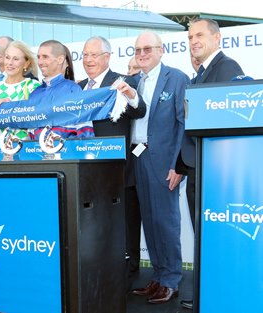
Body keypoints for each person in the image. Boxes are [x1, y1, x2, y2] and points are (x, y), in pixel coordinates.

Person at [178, 18, 244, 310]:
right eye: (190, 36)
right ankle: (206, 293)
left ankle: (216, 296)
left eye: (200, 35)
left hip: (215, 171)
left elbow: (230, 122)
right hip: (197, 167)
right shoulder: (201, 74)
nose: (193, 40)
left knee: (212, 240)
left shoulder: (227, 68)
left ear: (217, 38)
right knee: (202, 239)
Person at [78, 36, 146, 281]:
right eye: (85, 55)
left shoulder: (123, 82)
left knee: (124, 224)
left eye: (94, 55)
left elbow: (139, 110)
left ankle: (129, 269)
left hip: (116, 168)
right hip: (84, 169)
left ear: (107, 57)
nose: (88, 60)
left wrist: (130, 95)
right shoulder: (78, 87)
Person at [129, 31, 190, 304]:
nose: (142, 54)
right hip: (138, 158)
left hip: (165, 162)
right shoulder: (133, 82)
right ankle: (158, 276)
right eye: (138, 50)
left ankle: (172, 280)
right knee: (150, 223)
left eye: (147, 49)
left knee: (166, 222)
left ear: (161, 50)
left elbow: (184, 124)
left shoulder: (177, 78)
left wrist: (179, 165)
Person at [29, 40, 94, 140]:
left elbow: (85, 132)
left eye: (45, 57)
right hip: (38, 155)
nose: (40, 62)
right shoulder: (34, 94)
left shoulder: (73, 89)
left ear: (60, 59)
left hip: (66, 154)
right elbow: (31, 134)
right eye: (38, 57)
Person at [0, 40, 41, 141]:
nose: (10, 63)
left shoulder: (33, 86)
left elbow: (38, 119)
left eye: (16, 59)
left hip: (22, 149)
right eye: (7, 57)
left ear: (26, 63)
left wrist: (11, 108)